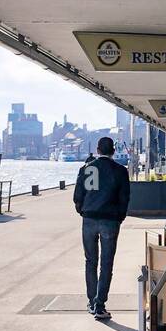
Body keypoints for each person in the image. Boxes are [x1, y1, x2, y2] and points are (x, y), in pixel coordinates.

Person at [74, 136, 130, 320]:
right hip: (110, 221)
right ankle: (100, 305)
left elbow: (78, 196)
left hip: (89, 219)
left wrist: (83, 211)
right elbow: (124, 199)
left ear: (98, 150)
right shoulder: (120, 171)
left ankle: (91, 301)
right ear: (113, 151)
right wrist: (119, 218)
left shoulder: (87, 169)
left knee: (90, 261)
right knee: (106, 264)